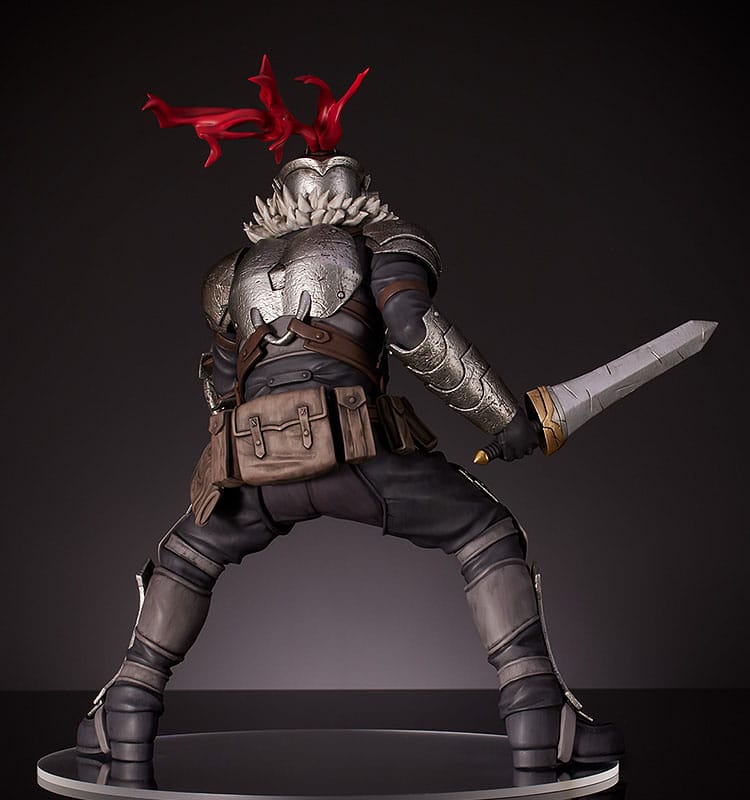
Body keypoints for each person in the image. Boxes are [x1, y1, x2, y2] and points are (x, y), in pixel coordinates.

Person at [76, 59, 623, 771]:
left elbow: (221, 388)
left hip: (255, 465)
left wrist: (247, 462)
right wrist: (503, 419)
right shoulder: (381, 245)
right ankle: (539, 718)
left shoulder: (235, 273)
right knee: (487, 534)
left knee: (185, 556)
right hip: (360, 457)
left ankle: (125, 709)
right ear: (354, 192)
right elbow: (415, 333)